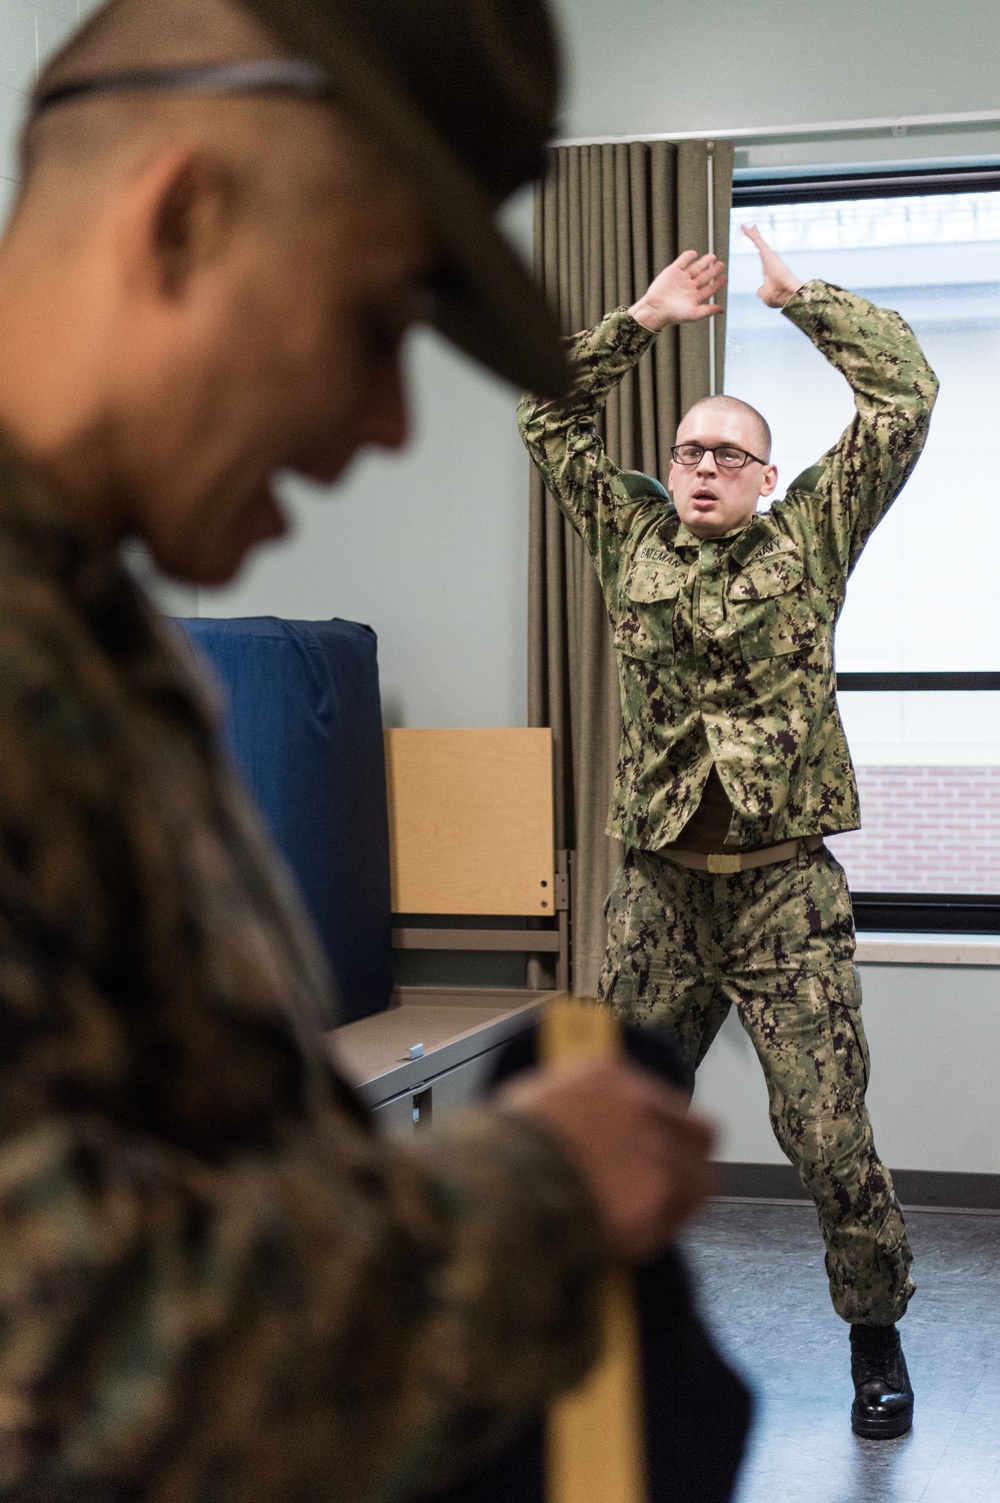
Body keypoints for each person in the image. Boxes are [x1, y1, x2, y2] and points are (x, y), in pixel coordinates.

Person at [0, 1, 719, 1499]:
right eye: (375, 321)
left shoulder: (102, 638)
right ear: (183, 218)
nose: (385, 426)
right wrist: (537, 1180)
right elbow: (56, 1353)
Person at [518, 224, 940, 1439]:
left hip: (780, 896)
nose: (703, 466)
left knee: (825, 1133)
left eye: (729, 453)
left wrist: (798, 297)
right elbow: (545, 418)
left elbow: (903, 395)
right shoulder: (629, 535)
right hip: (657, 893)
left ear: (765, 476)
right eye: (688, 448)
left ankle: (875, 1340)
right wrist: (642, 322)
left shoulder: (811, 535)